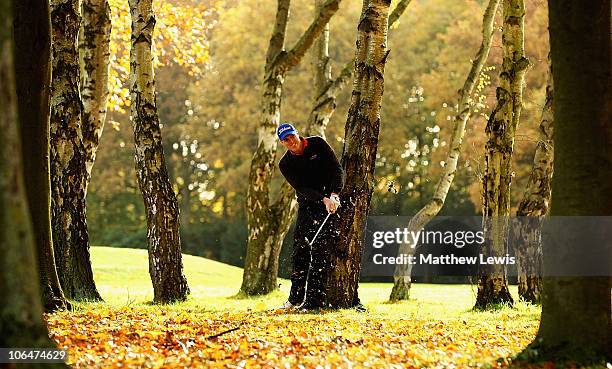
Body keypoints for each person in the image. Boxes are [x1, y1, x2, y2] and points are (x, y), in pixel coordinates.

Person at [276, 122, 344, 310]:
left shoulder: (318, 144)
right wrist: (323, 200)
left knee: (321, 251)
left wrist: (334, 195)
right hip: (308, 204)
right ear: (283, 143)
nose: (291, 142)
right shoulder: (285, 164)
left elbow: (336, 170)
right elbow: (302, 188)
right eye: (286, 140)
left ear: (297, 134)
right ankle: (295, 299)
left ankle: (314, 302)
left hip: (332, 201)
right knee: (300, 251)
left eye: (291, 137)